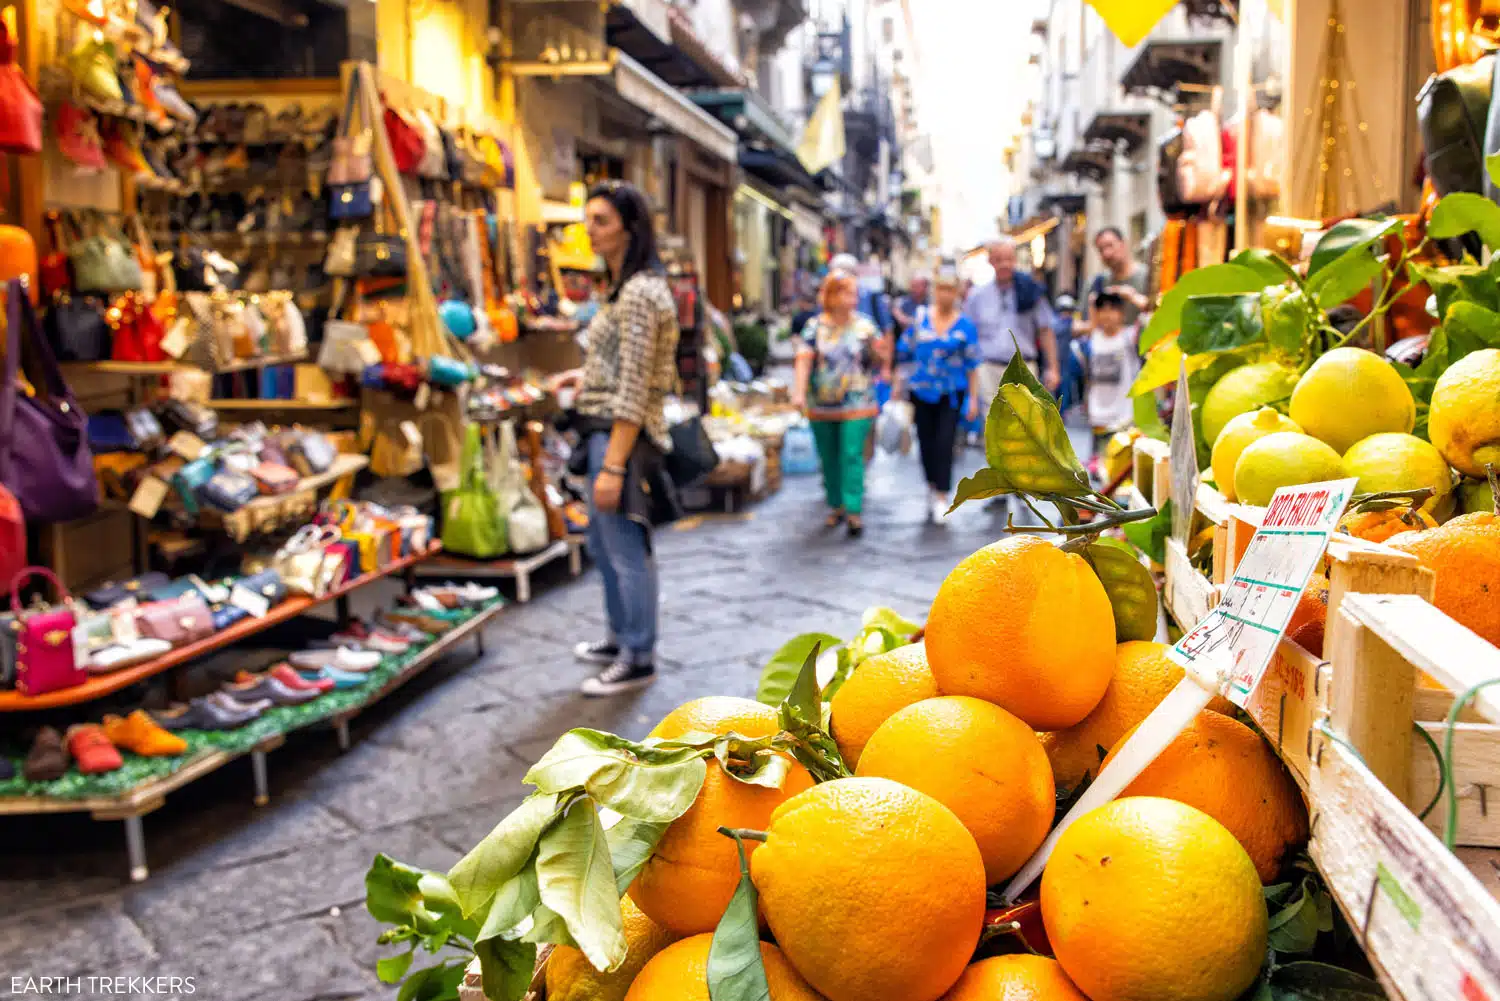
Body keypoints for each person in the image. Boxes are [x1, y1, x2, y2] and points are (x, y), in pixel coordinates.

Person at [548, 181, 680, 696]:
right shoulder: (624, 287)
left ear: (629, 225)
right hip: (601, 425)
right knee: (604, 546)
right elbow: (615, 366)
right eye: (589, 222)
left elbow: (636, 383)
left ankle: (639, 654)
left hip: (621, 434)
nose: (591, 231)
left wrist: (614, 465)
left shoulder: (643, 292)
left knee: (626, 547)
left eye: (600, 221)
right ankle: (619, 636)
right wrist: (580, 380)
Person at [792, 269, 888, 537]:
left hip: (858, 402)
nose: (853, 298)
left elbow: (880, 363)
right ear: (831, 296)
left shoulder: (865, 326)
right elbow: (804, 360)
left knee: (851, 454)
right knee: (828, 457)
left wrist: (879, 353)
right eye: (846, 292)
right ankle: (836, 505)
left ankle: (854, 510)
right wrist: (798, 393)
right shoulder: (815, 327)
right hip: (821, 404)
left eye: (855, 293)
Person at [896, 267, 981, 523]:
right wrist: (897, 385)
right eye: (941, 289)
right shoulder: (920, 318)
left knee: (945, 443)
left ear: (957, 293)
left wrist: (974, 398)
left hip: (950, 393)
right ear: (934, 291)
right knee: (925, 443)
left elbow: (972, 364)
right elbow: (904, 353)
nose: (945, 294)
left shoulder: (965, 325)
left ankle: (943, 495)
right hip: (921, 392)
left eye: (950, 289)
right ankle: (931, 485)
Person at [964, 238, 1062, 416]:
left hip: (1022, 368)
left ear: (1014, 260)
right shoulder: (977, 296)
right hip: (988, 367)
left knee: (1022, 427)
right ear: (991, 261)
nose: (1004, 264)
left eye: (1008, 259)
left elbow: (1045, 331)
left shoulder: (1031, 292)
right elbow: (969, 335)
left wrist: (1053, 368)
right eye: (999, 259)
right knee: (993, 425)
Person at [1073, 289, 1141, 450]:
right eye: (1102, 309)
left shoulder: (1130, 337)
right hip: (1098, 418)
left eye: (1112, 309)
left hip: (1123, 420)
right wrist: (1091, 305)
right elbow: (1071, 327)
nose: (1107, 314)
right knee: (1097, 467)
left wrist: (1130, 295)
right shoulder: (1092, 338)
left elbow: (1152, 314)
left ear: (1121, 313)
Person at [1081, 226, 1151, 331]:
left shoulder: (1148, 276)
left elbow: (1161, 312)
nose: (1106, 253)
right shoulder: (1095, 284)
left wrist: (1133, 297)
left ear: (1123, 244)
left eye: (1110, 246)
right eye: (1101, 250)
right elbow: (1088, 325)